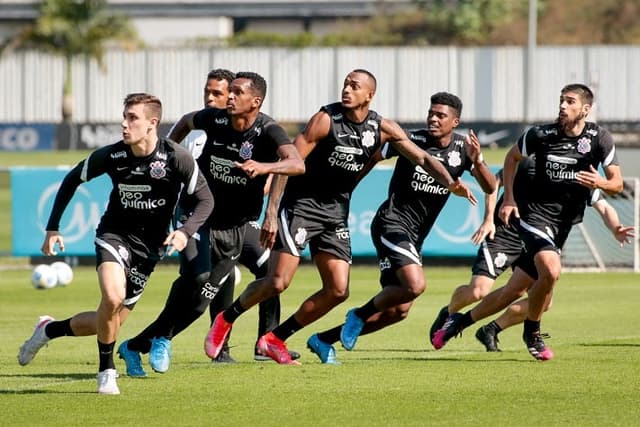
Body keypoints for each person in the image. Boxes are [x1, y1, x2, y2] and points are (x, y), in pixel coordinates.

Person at [204, 69, 478, 365]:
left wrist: (450, 182)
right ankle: (226, 318)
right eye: (346, 84)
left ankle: (274, 339)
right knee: (278, 282)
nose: (346, 89)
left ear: (369, 95)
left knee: (338, 290)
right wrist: (271, 212)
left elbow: (423, 157)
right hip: (301, 207)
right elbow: (290, 161)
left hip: (335, 213)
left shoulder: (382, 127)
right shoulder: (325, 120)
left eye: (354, 86)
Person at [17, 93, 214, 395]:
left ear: (152, 123)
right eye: (124, 116)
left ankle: (49, 329)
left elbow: (205, 200)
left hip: (150, 249)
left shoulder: (176, 157)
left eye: (132, 118)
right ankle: (106, 372)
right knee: (112, 297)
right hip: (114, 236)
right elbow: (72, 179)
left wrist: (185, 231)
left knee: (108, 321)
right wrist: (53, 227)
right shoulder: (113, 155)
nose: (124, 124)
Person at [119, 71, 304, 373]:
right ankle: (163, 339)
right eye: (228, 91)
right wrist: (162, 156)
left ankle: (135, 346)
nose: (229, 97)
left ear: (255, 101)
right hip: (197, 214)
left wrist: (267, 185)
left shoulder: (268, 130)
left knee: (249, 284)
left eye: (237, 92)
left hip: (236, 225)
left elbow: (295, 164)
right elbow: (185, 122)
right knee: (197, 279)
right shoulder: (214, 119)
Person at [305, 92, 496, 363]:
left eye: (441, 115)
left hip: (415, 236)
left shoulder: (464, 149)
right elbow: (371, 157)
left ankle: (323, 339)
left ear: (455, 121)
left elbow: (490, 186)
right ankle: (357, 315)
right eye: (431, 113)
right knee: (416, 285)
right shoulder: (411, 140)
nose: (433, 118)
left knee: (399, 311)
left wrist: (477, 161)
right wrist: (346, 188)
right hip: (390, 224)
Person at [437, 83, 623, 360]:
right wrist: (509, 199)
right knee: (551, 269)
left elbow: (616, 185)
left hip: (560, 227)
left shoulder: (600, 139)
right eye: (561, 100)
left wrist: (602, 183)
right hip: (533, 217)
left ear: (585, 109)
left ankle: (462, 322)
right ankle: (532, 333)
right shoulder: (541, 134)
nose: (562, 106)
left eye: (569, 101)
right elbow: (511, 159)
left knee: (517, 290)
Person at [430, 158, 634, 352]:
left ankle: (491, 329)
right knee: (478, 290)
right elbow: (494, 183)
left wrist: (616, 228)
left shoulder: (581, 178)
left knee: (541, 301)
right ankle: (449, 313)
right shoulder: (529, 162)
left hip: (538, 243)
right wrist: (488, 219)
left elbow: (604, 207)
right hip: (507, 232)